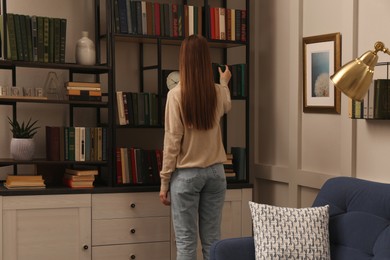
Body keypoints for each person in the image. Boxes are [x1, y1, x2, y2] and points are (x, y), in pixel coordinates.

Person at [159, 34, 232, 260]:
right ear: (205, 60)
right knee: (213, 241)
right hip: (216, 174)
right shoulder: (218, 93)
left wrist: (164, 182)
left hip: (187, 175)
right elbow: (226, 106)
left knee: (186, 244)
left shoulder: (175, 95)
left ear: (184, 60)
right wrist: (224, 82)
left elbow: (172, 141)